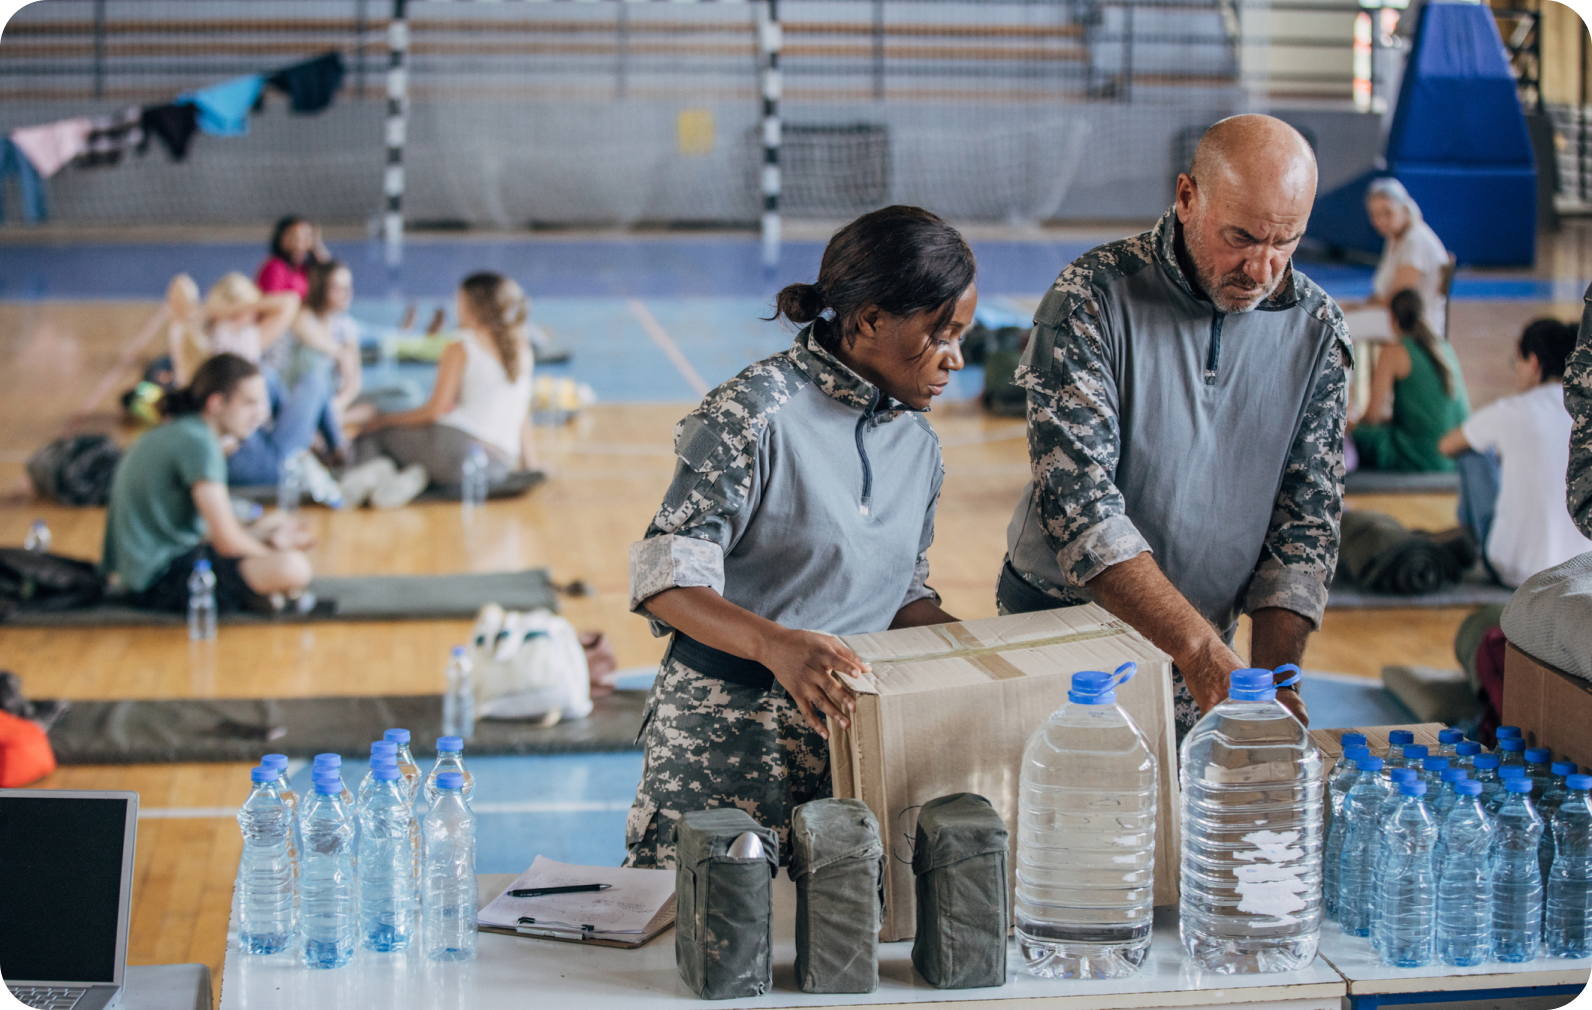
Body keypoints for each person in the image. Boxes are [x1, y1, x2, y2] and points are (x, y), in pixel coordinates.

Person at [622, 205, 975, 868]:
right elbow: (666, 578)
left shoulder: (919, 447)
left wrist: (979, 653)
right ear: (869, 320)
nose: (956, 359)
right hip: (724, 742)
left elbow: (899, 596)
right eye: (941, 333)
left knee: (829, 944)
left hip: (847, 745)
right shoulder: (756, 410)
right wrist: (776, 646)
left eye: (963, 335)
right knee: (704, 943)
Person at [998, 114, 1349, 739]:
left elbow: (1305, 525)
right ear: (1188, 197)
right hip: (1063, 634)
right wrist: (1202, 654)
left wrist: (1275, 684)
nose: (1261, 269)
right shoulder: (1092, 298)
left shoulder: (1318, 332)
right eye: (1240, 236)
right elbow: (1083, 513)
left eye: (1285, 241)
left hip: (1207, 648)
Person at [102, 353, 314, 613]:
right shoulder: (199, 443)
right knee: (294, 567)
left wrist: (267, 537)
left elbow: (203, 531)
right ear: (216, 403)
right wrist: (270, 555)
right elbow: (226, 541)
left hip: (151, 567)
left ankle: (257, 591)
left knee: (275, 523)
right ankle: (258, 591)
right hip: (157, 581)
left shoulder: (187, 431)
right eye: (249, 404)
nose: (259, 414)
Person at [345, 271, 538, 508]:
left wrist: (384, 420)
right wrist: (530, 464)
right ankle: (413, 478)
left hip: (456, 450)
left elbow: (434, 411)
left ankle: (377, 479)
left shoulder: (462, 344)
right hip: (498, 465)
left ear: (472, 305)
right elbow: (522, 411)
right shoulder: (521, 346)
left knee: (373, 435)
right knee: (413, 442)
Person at [1439, 318, 1590, 587]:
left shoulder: (1513, 409)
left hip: (1518, 572)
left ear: (1533, 362)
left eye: (1517, 361)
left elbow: (1447, 445)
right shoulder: (1585, 411)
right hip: (1583, 570)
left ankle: (1469, 545)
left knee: (1473, 453)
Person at [1350, 288, 1469, 472]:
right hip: (1455, 455)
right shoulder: (1444, 347)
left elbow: (1371, 418)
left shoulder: (1394, 351)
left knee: (1352, 436)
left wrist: (1351, 426)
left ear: (1391, 318)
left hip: (1422, 455)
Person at [264, 259, 364, 462]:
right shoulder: (302, 316)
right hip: (290, 397)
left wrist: (336, 406)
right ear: (321, 288)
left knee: (383, 403)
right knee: (312, 360)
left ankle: (326, 434)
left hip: (324, 403)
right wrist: (340, 353)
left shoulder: (346, 327)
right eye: (337, 288)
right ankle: (333, 444)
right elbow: (312, 339)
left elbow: (353, 384)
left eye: (348, 288)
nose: (345, 294)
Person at [1350, 177, 1451, 338]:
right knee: (1339, 318)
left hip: (1414, 324)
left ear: (1404, 209)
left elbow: (1400, 301)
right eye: (1375, 215)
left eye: (1387, 213)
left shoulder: (1415, 242)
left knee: (1339, 327)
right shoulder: (1395, 238)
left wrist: (1358, 309)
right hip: (1394, 318)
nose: (1380, 221)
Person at [166, 272, 298, 386]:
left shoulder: (188, 331)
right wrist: (232, 309)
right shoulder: (243, 338)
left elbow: (291, 301)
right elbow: (291, 302)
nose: (254, 315)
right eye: (250, 309)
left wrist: (215, 310)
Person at [255, 214, 330, 299]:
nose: (299, 244)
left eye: (306, 238)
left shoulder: (305, 269)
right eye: (294, 237)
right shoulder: (276, 266)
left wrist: (318, 247)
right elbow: (271, 302)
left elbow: (330, 277)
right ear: (281, 239)